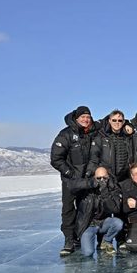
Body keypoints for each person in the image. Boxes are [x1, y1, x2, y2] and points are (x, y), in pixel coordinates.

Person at [50, 106, 98, 256]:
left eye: (88, 117)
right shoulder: (66, 134)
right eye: (83, 117)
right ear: (76, 118)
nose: (86, 119)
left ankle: (79, 236)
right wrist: (70, 173)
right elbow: (56, 159)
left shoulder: (92, 132)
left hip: (86, 180)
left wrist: (90, 173)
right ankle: (69, 240)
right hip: (71, 181)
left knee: (85, 208)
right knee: (69, 210)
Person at [67, 166, 123, 256]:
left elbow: (115, 209)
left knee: (118, 223)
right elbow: (71, 186)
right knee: (88, 253)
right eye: (98, 178)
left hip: (103, 223)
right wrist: (89, 183)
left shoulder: (112, 188)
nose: (101, 180)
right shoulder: (86, 189)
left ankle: (106, 241)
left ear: (108, 177)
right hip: (88, 225)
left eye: (104, 178)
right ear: (94, 177)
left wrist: (105, 194)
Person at [91, 109, 134, 183]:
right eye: (114, 120)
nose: (117, 123)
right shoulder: (101, 136)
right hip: (107, 178)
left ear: (123, 122)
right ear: (109, 121)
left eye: (119, 120)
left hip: (124, 178)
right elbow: (94, 158)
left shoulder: (129, 137)